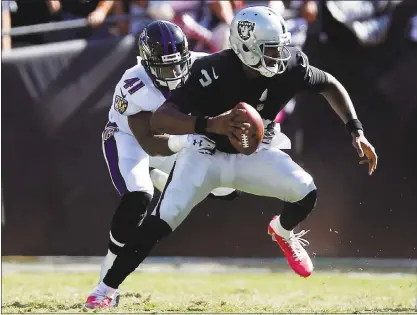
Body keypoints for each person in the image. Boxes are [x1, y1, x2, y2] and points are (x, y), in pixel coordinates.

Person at [85, 6, 378, 308]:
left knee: (307, 192)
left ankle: (282, 230)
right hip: (204, 153)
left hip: (254, 151)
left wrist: (355, 129)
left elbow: (328, 83)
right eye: (270, 49)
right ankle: (106, 288)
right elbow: (160, 120)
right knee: (159, 223)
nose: (279, 55)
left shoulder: (291, 65)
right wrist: (211, 124)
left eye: (280, 46)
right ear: (247, 48)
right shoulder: (212, 71)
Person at [85, 20, 238, 309]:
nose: (177, 74)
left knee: (225, 188)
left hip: (178, 137)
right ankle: (104, 285)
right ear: (147, 63)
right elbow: (150, 141)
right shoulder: (134, 85)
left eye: (180, 64)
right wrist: (191, 139)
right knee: (139, 198)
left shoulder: (204, 66)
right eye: (167, 68)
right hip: (130, 141)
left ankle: (163, 177)